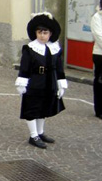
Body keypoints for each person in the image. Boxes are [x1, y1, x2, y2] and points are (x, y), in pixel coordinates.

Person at [15, 12, 67, 148]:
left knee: (44, 108)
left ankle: (40, 132)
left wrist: (61, 83)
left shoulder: (54, 48)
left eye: (45, 33)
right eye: (39, 32)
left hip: (49, 83)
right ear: (35, 33)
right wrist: (22, 83)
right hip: (34, 83)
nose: (42, 35)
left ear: (50, 34)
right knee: (32, 108)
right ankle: (33, 135)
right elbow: (25, 67)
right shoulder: (30, 49)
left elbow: (59, 68)